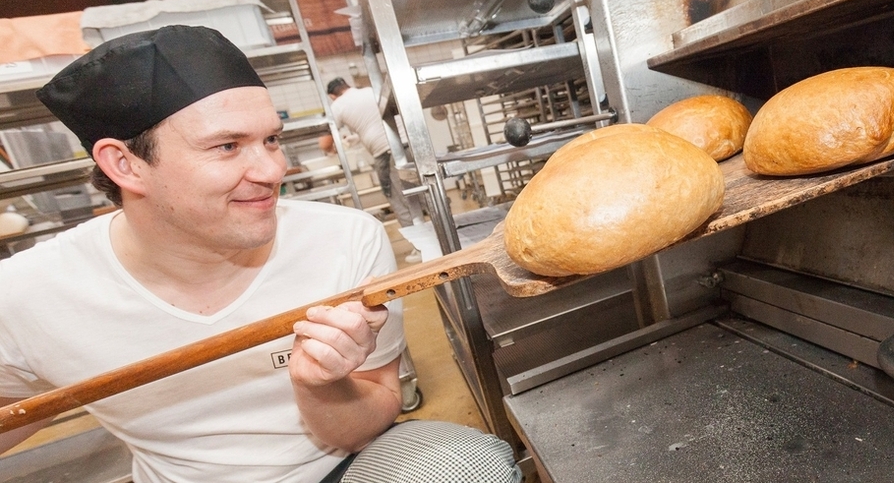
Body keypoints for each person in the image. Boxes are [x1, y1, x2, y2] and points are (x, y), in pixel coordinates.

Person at [0, 26, 520, 483]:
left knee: (464, 464)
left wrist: (320, 387)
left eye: (271, 139)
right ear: (125, 165)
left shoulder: (345, 241)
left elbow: (373, 414)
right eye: (227, 146)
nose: (273, 170)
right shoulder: (29, 295)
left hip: (339, 465)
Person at [323, 77, 426, 264]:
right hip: (410, 146)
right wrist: (357, 137)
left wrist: (330, 149)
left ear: (332, 96)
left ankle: (422, 248)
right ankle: (446, 236)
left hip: (387, 154)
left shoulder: (337, 106)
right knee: (424, 192)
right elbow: (375, 122)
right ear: (347, 86)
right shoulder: (371, 91)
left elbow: (325, 142)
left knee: (400, 201)